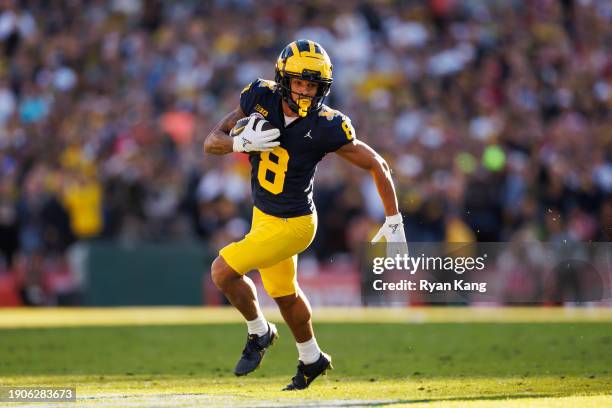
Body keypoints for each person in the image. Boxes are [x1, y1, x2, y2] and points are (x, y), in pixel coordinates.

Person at [203, 39, 407, 390]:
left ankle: (259, 332)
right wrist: (239, 143)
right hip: (263, 215)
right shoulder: (259, 96)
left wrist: (393, 220)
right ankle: (311, 357)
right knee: (284, 294)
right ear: (284, 80)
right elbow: (211, 141)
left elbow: (377, 164)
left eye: (313, 85)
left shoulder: (328, 125)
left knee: (222, 272)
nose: (306, 91)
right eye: (299, 82)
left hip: (296, 223)